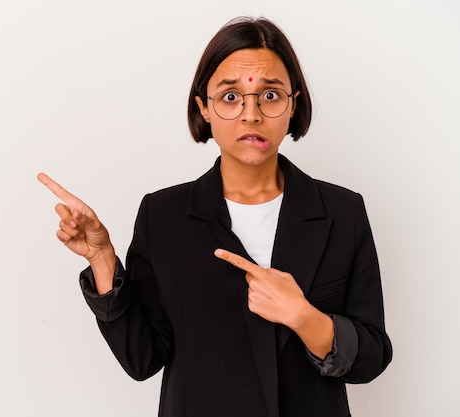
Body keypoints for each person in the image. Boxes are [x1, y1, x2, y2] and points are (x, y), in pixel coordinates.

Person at [38, 16, 392, 417]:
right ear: (203, 107)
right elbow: (142, 359)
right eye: (230, 97)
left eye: (270, 96)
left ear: (293, 104)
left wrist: (303, 316)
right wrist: (101, 259)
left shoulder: (342, 211)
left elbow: (372, 357)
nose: (251, 114)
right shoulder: (163, 215)